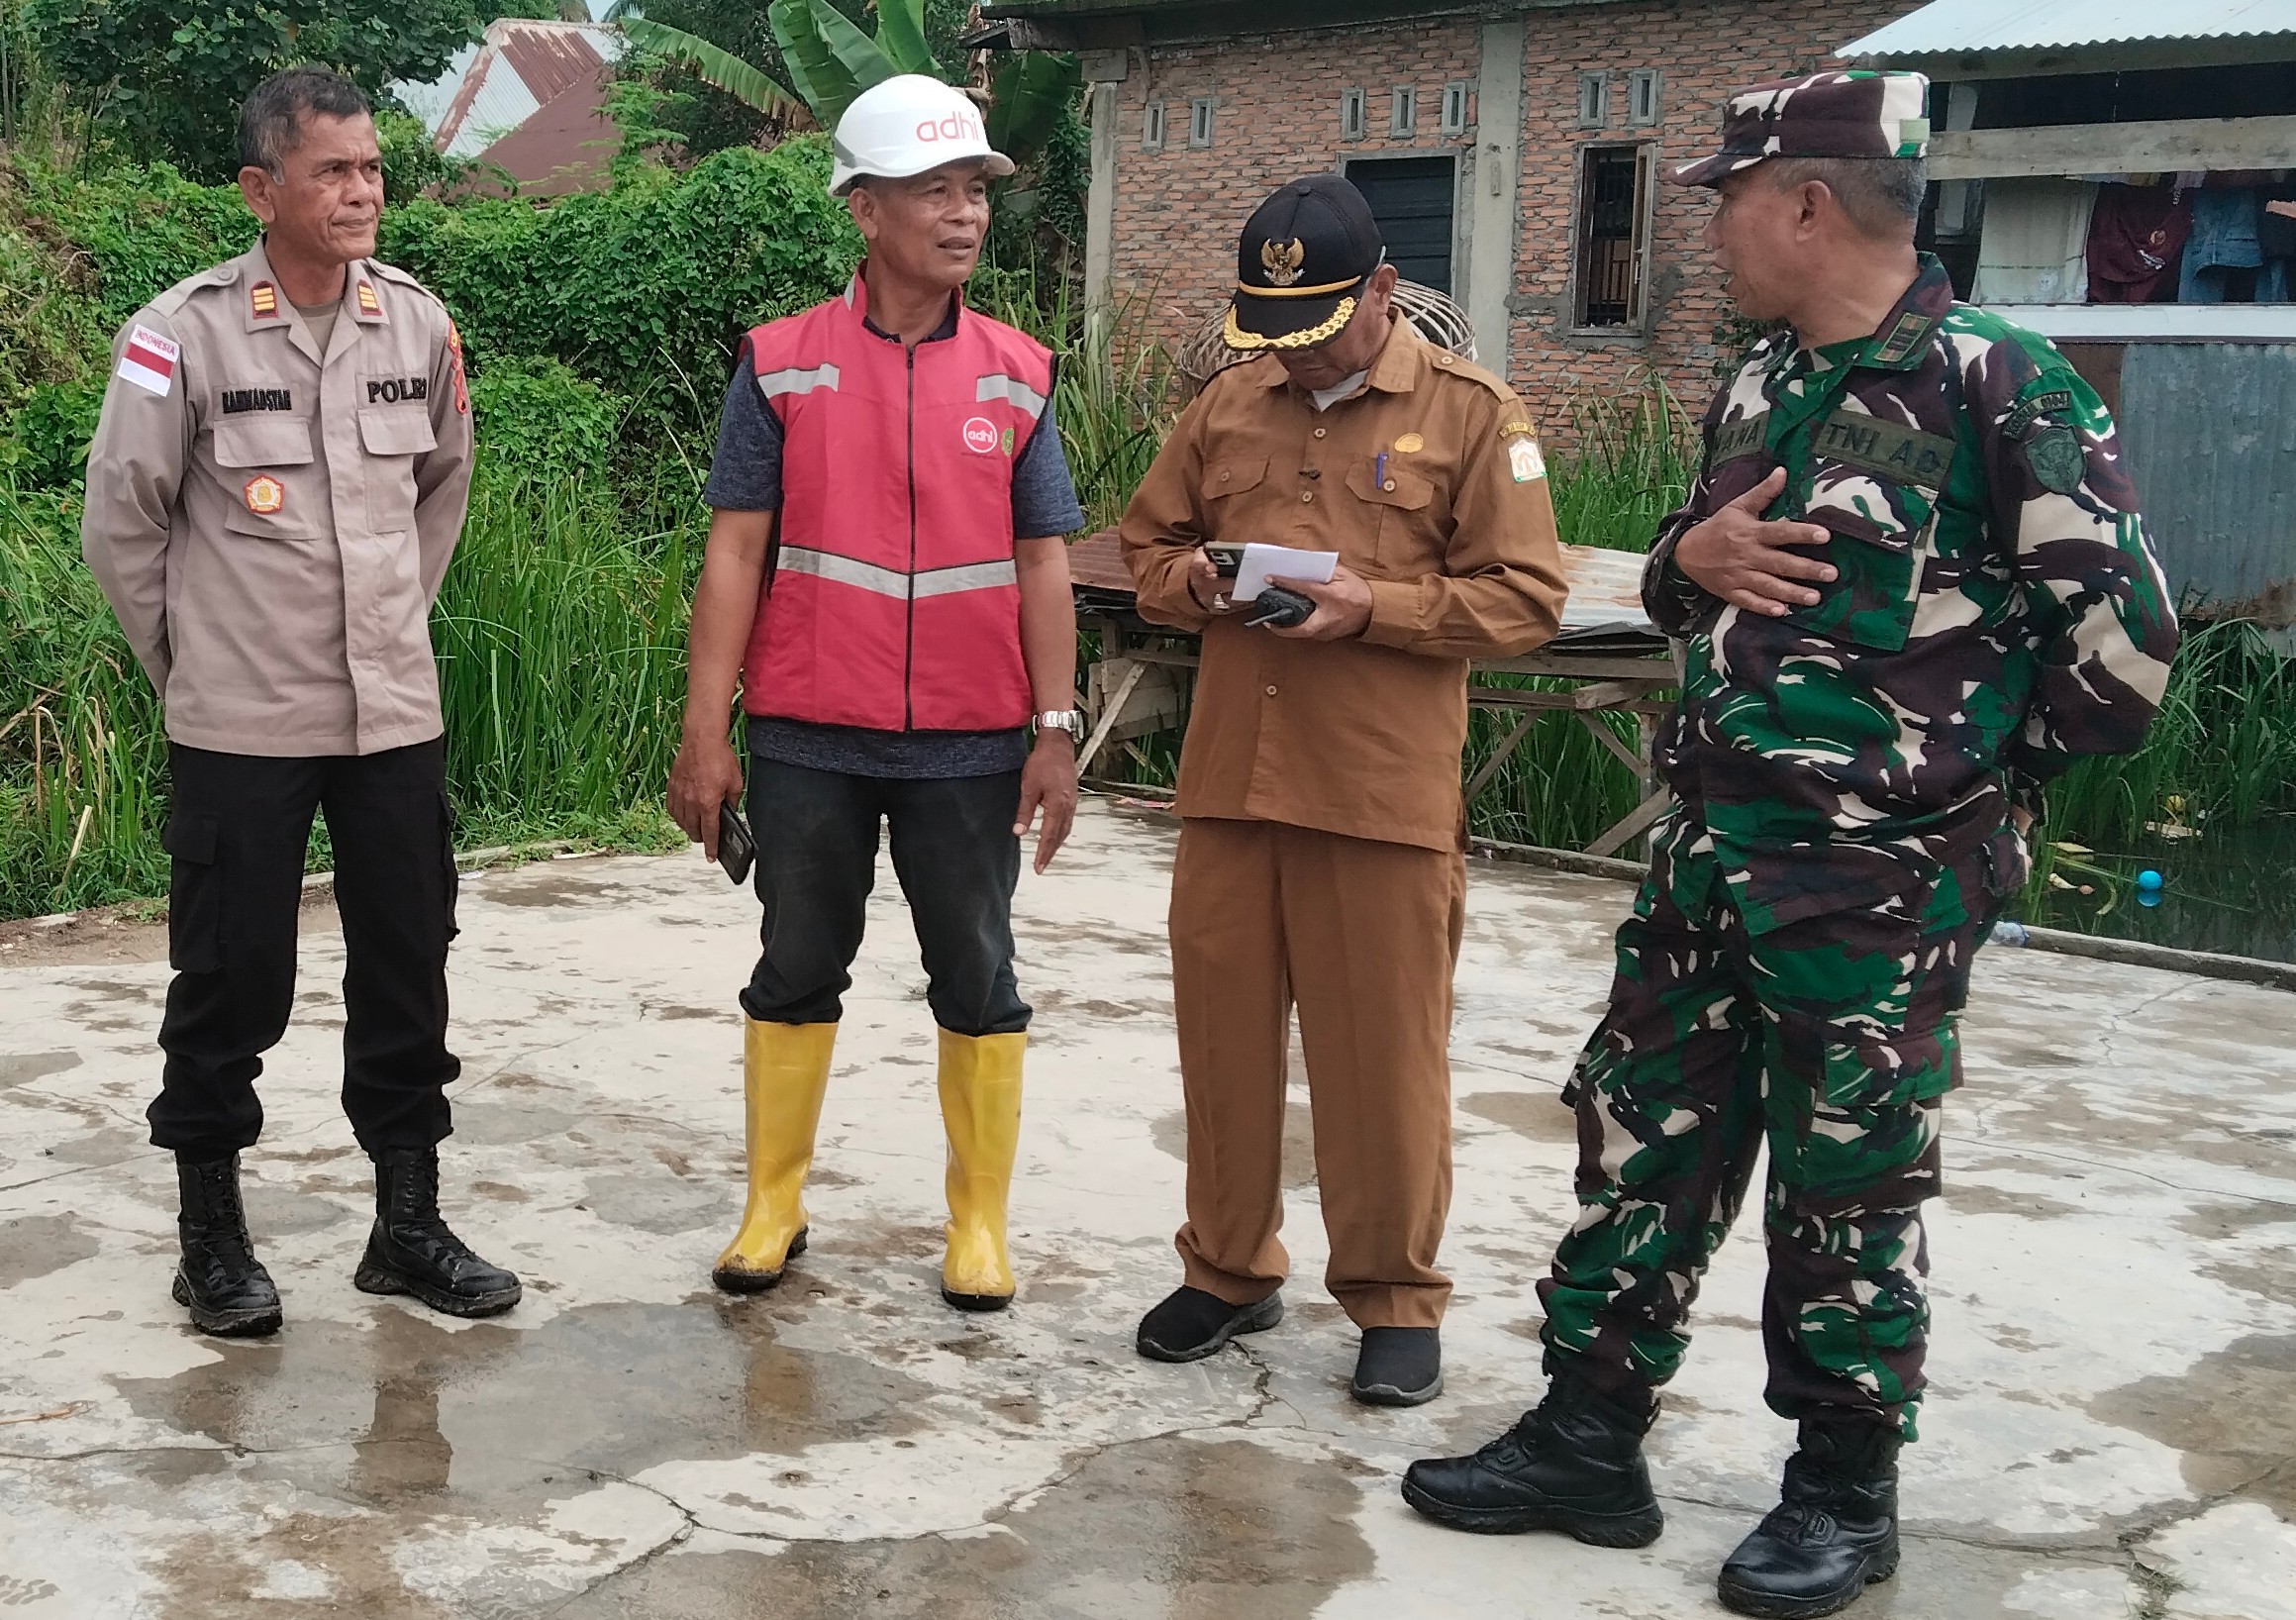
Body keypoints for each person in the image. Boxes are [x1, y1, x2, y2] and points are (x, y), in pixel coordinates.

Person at [1401, 71, 2179, 1618]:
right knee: (1638, 1143)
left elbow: (2126, 645)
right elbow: (1698, 582)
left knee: (1848, 1183)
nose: (1709, 235)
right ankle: (1586, 1437)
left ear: (1804, 204)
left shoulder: (1997, 386)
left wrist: (1960, 793)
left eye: (1726, 202)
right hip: (1709, 848)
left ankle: (1838, 1488)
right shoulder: (1763, 385)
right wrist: (1685, 563)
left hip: (1880, 884)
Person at [81, 68, 519, 1338]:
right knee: (231, 979)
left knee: (408, 967)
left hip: (392, 716)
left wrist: (390, 623)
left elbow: (441, 488)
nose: (364, 191)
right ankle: (211, 1239)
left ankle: (408, 1226)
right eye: (333, 171)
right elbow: (126, 523)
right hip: (240, 725)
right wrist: (197, 670)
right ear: (261, 189)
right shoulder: (184, 333)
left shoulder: (418, 327)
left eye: (373, 167)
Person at [1120, 175, 1568, 1407]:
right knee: (1220, 1045)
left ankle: (1392, 1295)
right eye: (1272, 322)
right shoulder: (1227, 403)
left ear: (1379, 290)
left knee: (1383, 1058)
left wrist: (1383, 606)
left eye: (1317, 318)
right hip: (1230, 785)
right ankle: (1226, 1268)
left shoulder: (1476, 415)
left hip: (1378, 793)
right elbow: (1145, 545)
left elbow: (1528, 601)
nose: (1294, 346)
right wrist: (1193, 586)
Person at [665, 74, 1085, 1313]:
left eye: (975, 193)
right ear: (864, 208)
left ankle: (977, 1227)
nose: (964, 216)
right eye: (935, 191)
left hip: (969, 739)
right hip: (809, 732)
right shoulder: (781, 365)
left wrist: (1054, 727)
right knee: (796, 960)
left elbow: (1042, 560)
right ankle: (772, 1205)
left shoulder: (1018, 375)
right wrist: (707, 731)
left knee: (978, 972)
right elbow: (733, 553)